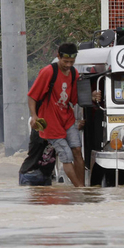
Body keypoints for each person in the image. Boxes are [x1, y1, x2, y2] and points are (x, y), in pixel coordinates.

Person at [21, 43, 100, 187]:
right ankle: (80, 189)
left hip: (67, 119)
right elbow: (31, 96)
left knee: (77, 150)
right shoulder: (48, 72)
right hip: (51, 123)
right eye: (65, 61)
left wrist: (92, 95)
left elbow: (75, 99)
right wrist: (34, 116)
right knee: (66, 156)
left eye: (71, 62)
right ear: (58, 56)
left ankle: (82, 186)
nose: (68, 65)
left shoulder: (74, 73)